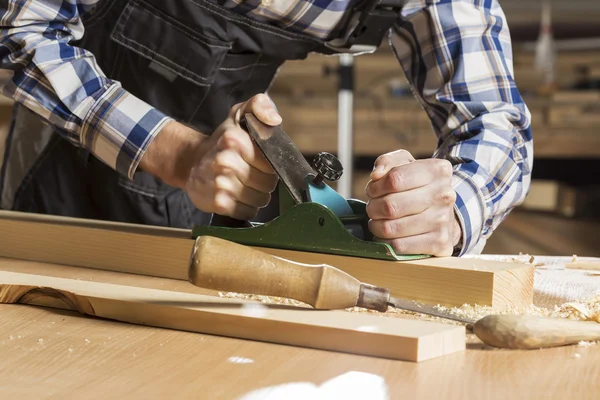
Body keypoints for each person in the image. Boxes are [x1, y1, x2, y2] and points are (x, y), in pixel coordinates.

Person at [0, 0, 532, 257]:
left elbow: (495, 119)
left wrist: (455, 207)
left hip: (213, 199)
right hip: (61, 176)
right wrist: (180, 154)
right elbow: (22, 31)